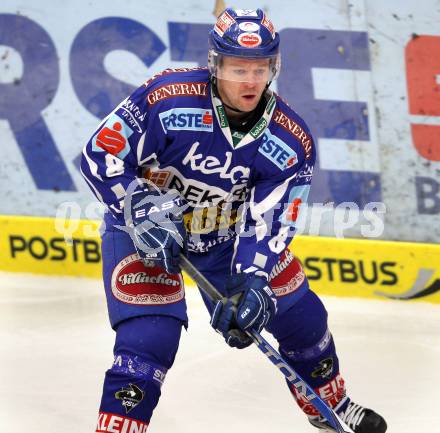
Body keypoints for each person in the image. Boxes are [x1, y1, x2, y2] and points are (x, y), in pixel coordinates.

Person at [82, 8, 387, 433]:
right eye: (238, 67)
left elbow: (270, 220)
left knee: (304, 319)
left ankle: (331, 403)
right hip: (142, 230)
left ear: (273, 67)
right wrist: (139, 208)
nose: (249, 80)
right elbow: (101, 154)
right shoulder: (166, 98)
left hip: (226, 237)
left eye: (259, 68)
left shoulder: (289, 140)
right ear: (216, 65)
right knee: (147, 342)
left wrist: (254, 281)